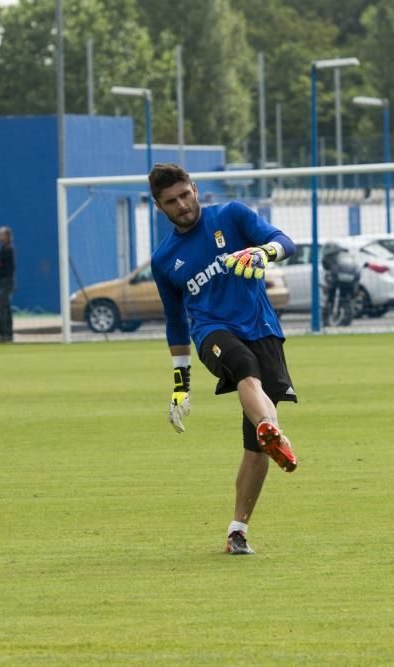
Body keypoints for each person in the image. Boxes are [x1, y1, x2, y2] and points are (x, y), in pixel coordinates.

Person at [148, 162, 299, 556]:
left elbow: (286, 241)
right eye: (171, 201)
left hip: (263, 330)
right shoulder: (165, 260)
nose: (182, 205)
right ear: (159, 207)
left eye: (185, 194)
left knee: (255, 448)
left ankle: (238, 531)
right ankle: (271, 427)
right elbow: (175, 322)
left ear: (195, 188)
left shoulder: (232, 215)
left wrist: (262, 253)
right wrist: (181, 386)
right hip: (211, 333)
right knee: (244, 369)